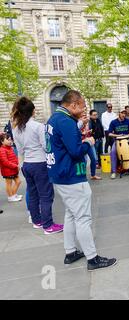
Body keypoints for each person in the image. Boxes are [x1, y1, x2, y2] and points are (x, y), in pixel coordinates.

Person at [46, 90, 117, 271]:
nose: (84, 109)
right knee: (83, 218)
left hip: (59, 174)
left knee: (71, 214)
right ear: (73, 105)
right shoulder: (65, 121)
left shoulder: (54, 119)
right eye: (83, 105)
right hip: (71, 176)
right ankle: (92, 259)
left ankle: (70, 252)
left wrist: (78, 127)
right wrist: (89, 142)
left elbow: (62, 140)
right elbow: (76, 151)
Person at [12, 97, 63, 233]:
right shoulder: (38, 126)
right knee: (46, 195)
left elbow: (20, 150)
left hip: (27, 164)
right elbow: (46, 147)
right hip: (40, 164)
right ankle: (48, 225)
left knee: (33, 193)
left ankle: (37, 221)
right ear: (32, 111)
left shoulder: (16, 129)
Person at [0, 133, 22, 202]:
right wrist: (15, 166)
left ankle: (13, 194)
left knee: (18, 181)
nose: (10, 141)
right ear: (2, 141)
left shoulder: (10, 148)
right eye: (8, 140)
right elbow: (5, 162)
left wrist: (17, 164)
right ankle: (10, 197)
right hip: (7, 170)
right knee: (9, 183)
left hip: (13, 169)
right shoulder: (2, 150)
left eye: (10, 139)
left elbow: (14, 157)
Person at [79, 115, 101, 180]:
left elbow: (88, 134)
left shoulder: (87, 124)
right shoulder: (77, 125)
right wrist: (83, 135)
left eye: (86, 118)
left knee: (94, 159)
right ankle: (82, 176)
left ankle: (93, 175)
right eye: (84, 118)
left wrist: (89, 134)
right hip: (82, 144)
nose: (86, 119)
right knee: (84, 160)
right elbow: (76, 137)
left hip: (89, 142)